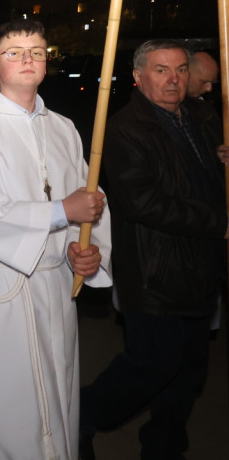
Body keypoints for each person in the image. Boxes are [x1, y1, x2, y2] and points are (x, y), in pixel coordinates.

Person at [0, 19, 111, 459]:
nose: (26, 59)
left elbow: (90, 200)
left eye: (36, 51)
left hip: (55, 281)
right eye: (14, 52)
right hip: (3, 282)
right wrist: (61, 212)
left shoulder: (62, 127)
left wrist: (88, 249)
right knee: (10, 402)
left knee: (59, 386)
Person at [79, 40, 229, 460]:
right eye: (161, 70)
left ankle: (163, 447)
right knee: (151, 365)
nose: (173, 79)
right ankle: (80, 416)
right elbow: (143, 203)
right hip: (154, 272)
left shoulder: (202, 117)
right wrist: (219, 223)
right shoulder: (126, 128)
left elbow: (209, 177)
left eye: (180, 69)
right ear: (138, 77)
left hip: (200, 269)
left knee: (190, 372)